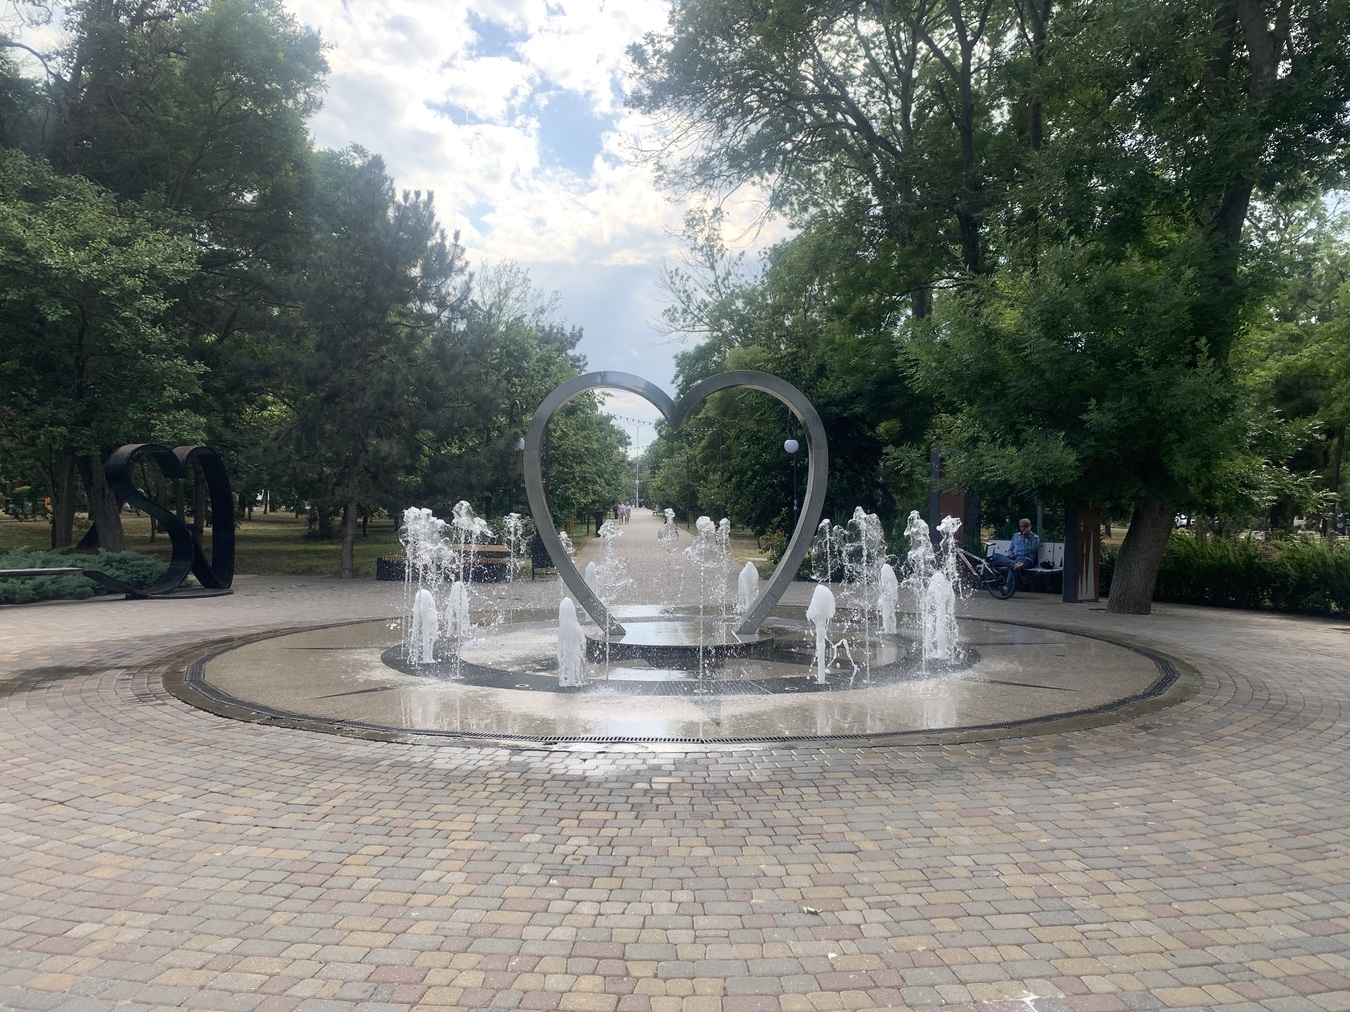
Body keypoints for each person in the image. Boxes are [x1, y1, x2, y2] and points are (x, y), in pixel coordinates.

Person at [992, 518, 1040, 589]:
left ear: (1030, 527)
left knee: (1012, 567)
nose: (1023, 529)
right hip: (1014, 558)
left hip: (1026, 559)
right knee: (995, 556)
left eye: (1025, 527)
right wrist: (1011, 554)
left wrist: (1024, 539)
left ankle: (1007, 588)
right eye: (1022, 526)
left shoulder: (1035, 538)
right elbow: (1011, 548)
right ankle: (1014, 563)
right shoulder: (1016, 535)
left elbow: (1031, 551)